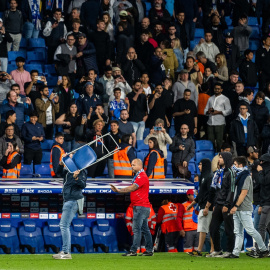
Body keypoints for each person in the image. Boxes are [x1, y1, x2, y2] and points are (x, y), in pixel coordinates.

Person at [224, 157, 269, 259]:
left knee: (250, 230)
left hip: (244, 208)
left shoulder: (246, 177)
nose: (233, 167)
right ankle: (235, 253)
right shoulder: (239, 176)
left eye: (235, 164)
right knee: (238, 232)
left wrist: (235, 206)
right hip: (238, 208)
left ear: (240, 165)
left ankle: (263, 249)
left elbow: (243, 193)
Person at [110, 158, 153, 256]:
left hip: (140, 206)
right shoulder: (139, 176)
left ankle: (133, 251)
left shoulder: (141, 176)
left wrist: (119, 190)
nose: (131, 167)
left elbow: (133, 188)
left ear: (139, 165)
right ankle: (149, 250)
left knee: (136, 229)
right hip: (142, 206)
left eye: (133, 165)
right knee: (145, 229)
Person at [204, 152, 235, 258]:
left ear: (226, 159)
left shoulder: (230, 172)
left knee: (228, 229)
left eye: (221, 158)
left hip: (226, 204)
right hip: (218, 204)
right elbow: (216, 190)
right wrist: (215, 203)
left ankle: (230, 251)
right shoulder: (218, 173)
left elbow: (231, 190)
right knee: (213, 227)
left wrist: (227, 204)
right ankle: (217, 250)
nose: (219, 159)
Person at [52, 168, 87, 260]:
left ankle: (66, 252)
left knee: (64, 225)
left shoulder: (81, 170)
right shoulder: (69, 170)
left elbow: (83, 185)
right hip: (68, 200)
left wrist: (76, 177)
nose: (69, 155)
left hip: (73, 200)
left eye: (71, 154)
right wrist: (60, 164)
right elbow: (58, 173)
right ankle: (65, 251)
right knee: (64, 225)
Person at [187, 159, 214, 256]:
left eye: (201, 164)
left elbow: (211, 193)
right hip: (203, 206)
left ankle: (206, 250)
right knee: (205, 229)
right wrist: (192, 204)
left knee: (207, 229)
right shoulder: (203, 176)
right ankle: (206, 250)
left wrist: (207, 207)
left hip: (207, 207)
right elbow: (201, 194)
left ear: (206, 165)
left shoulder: (210, 176)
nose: (199, 166)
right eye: (198, 164)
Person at [204, 83, 232, 152]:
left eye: (218, 89)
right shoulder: (210, 98)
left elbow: (229, 111)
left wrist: (218, 112)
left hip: (219, 123)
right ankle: (211, 154)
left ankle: (219, 155)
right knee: (210, 141)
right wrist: (208, 111)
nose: (217, 90)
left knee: (219, 141)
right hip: (210, 122)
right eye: (216, 88)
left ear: (221, 90)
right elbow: (205, 110)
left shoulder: (225, 99)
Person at [254, 153, 270, 257]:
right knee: (267, 227)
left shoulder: (267, 173)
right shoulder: (266, 172)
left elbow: (263, 182)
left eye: (262, 161)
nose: (260, 163)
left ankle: (261, 249)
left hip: (268, 203)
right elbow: (259, 187)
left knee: (261, 226)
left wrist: (259, 172)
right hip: (265, 203)